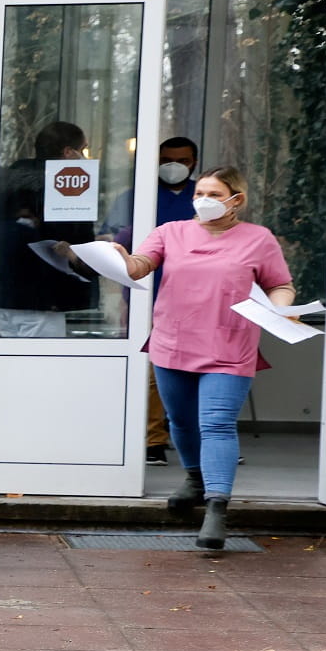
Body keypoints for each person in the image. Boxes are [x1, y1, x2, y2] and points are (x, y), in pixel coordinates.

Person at [112, 166, 296, 549]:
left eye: (213, 194)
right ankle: (195, 478)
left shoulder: (258, 239)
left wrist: (283, 308)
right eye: (199, 194)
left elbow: (279, 284)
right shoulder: (170, 232)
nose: (203, 201)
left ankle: (216, 507)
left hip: (229, 346)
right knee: (180, 421)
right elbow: (140, 266)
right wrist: (119, 258)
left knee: (216, 423)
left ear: (236, 200)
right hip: (173, 341)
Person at [110, 137, 201, 463]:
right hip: (148, 298)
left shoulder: (203, 199)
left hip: (199, 301)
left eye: (182, 159)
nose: (174, 165)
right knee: (152, 372)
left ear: (193, 162)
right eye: (167, 159)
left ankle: (205, 436)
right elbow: (116, 242)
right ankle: (153, 440)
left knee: (201, 369)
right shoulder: (137, 198)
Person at [0, 121, 101, 338]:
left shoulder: (9, 180)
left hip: (4, 294)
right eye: (84, 149)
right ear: (69, 152)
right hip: (45, 295)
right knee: (42, 366)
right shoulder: (64, 183)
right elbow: (71, 238)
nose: (86, 156)